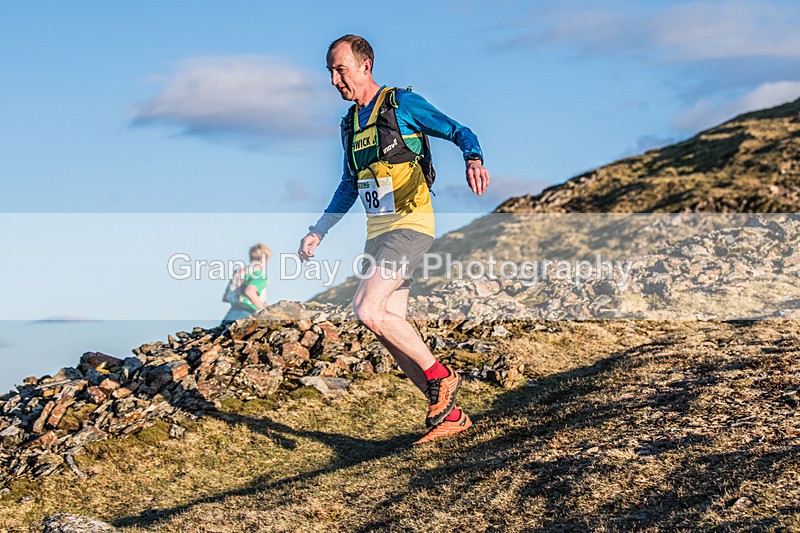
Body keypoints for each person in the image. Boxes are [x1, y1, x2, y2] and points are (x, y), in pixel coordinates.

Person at [297, 35, 490, 444]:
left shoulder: (401, 104)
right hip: (378, 233)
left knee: (366, 308)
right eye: (330, 72)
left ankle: (441, 375)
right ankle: (451, 416)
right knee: (389, 327)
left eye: (340, 70)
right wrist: (319, 229)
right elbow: (349, 184)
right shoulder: (350, 124)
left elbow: (459, 130)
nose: (333, 80)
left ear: (365, 66)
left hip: (410, 224)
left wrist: (473, 157)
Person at [221, 243, 271, 323]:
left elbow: (226, 297)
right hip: (248, 312)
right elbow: (249, 292)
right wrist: (264, 310)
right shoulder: (259, 275)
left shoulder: (238, 272)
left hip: (231, 313)